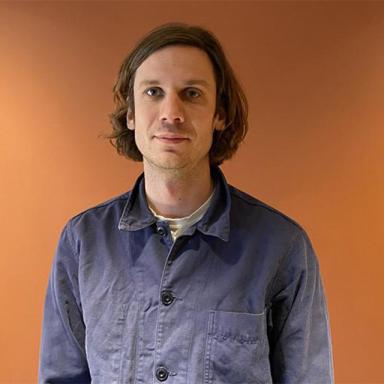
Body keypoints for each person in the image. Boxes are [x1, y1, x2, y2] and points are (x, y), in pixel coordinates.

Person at [39, 23, 334, 384]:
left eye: (192, 93)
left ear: (219, 115)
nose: (171, 113)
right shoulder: (83, 242)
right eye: (153, 92)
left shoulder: (283, 248)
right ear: (130, 114)